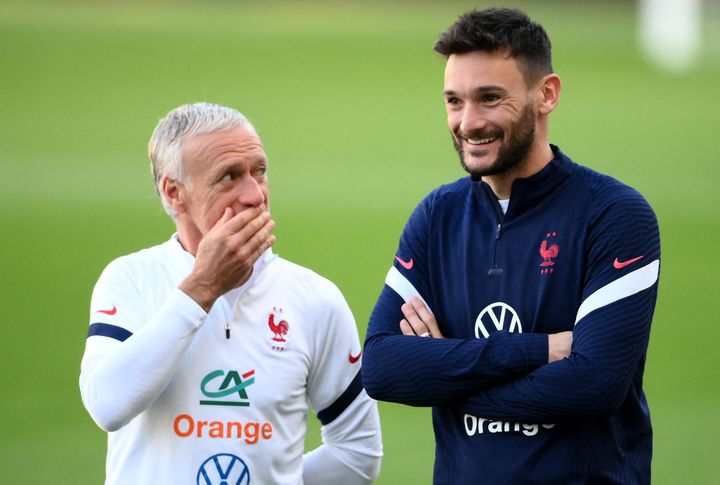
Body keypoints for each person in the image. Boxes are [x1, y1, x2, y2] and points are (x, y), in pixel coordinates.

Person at [362, 7, 660, 484]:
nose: (468, 122)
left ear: (546, 95)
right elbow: (381, 367)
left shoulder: (614, 214)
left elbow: (593, 383)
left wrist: (446, 377)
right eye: (454, 101)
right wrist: (535, 351)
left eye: (490, 98)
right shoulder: (438, 216)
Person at [80, 102, 382, 484]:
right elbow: (107, 405)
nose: (255, 195)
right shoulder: (132, 280)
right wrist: (201, 288)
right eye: (229, 177)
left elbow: (357, 453)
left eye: (259, 171)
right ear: (175, 193)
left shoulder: (315, 299)